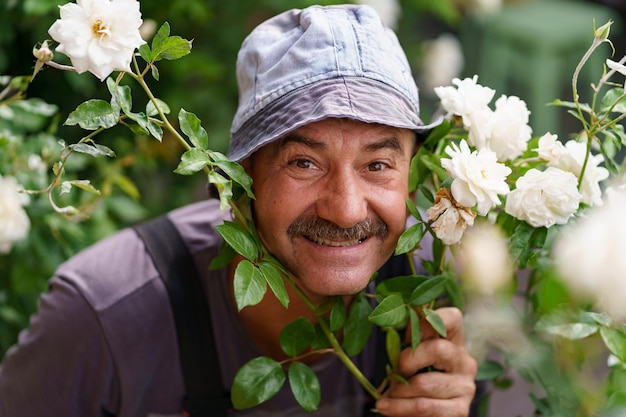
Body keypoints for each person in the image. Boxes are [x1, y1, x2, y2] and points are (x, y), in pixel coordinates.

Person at [0, 4, 478, 417]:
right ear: (242, 175)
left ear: (412, 173)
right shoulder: (103, 315)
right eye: (304, 163)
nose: (347, 211)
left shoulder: (427, 292)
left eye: (377, 164)